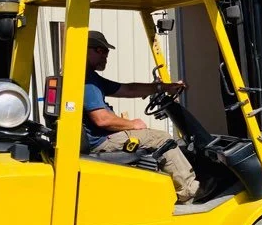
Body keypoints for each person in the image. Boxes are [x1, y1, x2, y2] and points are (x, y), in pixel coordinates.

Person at [83, 30, 203, 203]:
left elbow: (128, 89)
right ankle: (190, 192)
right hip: (102, 140)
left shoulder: (90, 77)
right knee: (163, 139)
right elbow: (102, 119)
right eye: (100, 50)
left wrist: (163, 87)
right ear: (85, 50)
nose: (105, 56)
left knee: (153, 138)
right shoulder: (87, 81)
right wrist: (131, 123)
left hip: (97, 138)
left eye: (106, 52)